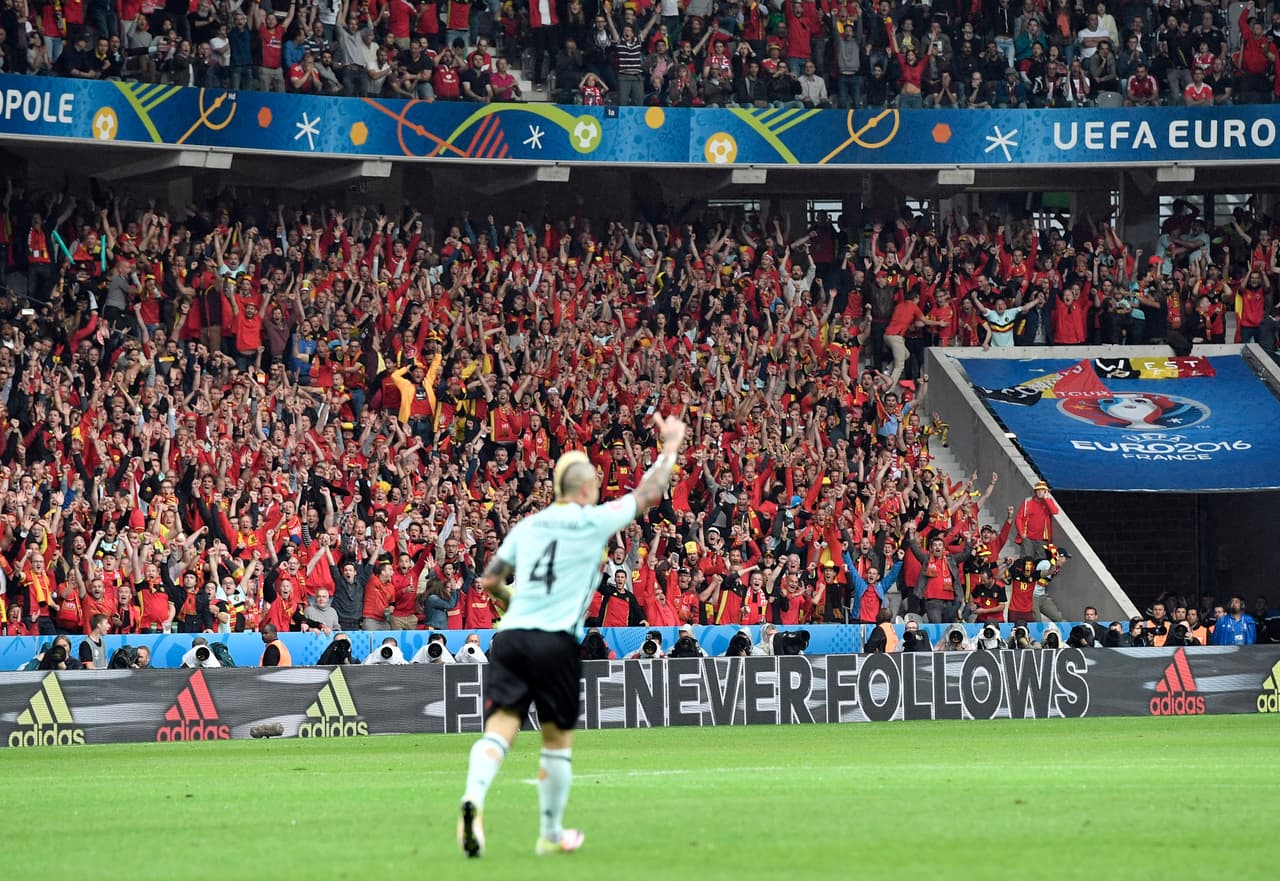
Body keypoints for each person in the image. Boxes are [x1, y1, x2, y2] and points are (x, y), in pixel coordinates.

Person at [458, 411, 687, 858]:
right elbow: (648, 493)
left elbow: (490, 582)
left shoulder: (529, 526)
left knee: (500, 729)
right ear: (584, 490)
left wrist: (518, 604)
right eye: (597, 487)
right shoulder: (592, 520)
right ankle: (550, 830)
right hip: (554, 640)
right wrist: (671, 447)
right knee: (556, 741)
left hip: (510, 637)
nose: (599, 493)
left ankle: (473, 799)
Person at [1015, 481, 1059, 558]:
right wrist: (1021, 533)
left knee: (1040, 563)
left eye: (1042, 490)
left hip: (1042, 539)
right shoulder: (1028, 501)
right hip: (1027, 538)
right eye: (1038, 490)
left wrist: (1046, 498)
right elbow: (1018, 518)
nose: (1039, 492)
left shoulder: (1048, 501)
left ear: (1045, 491)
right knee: (1026, 561)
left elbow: (1055, 511)